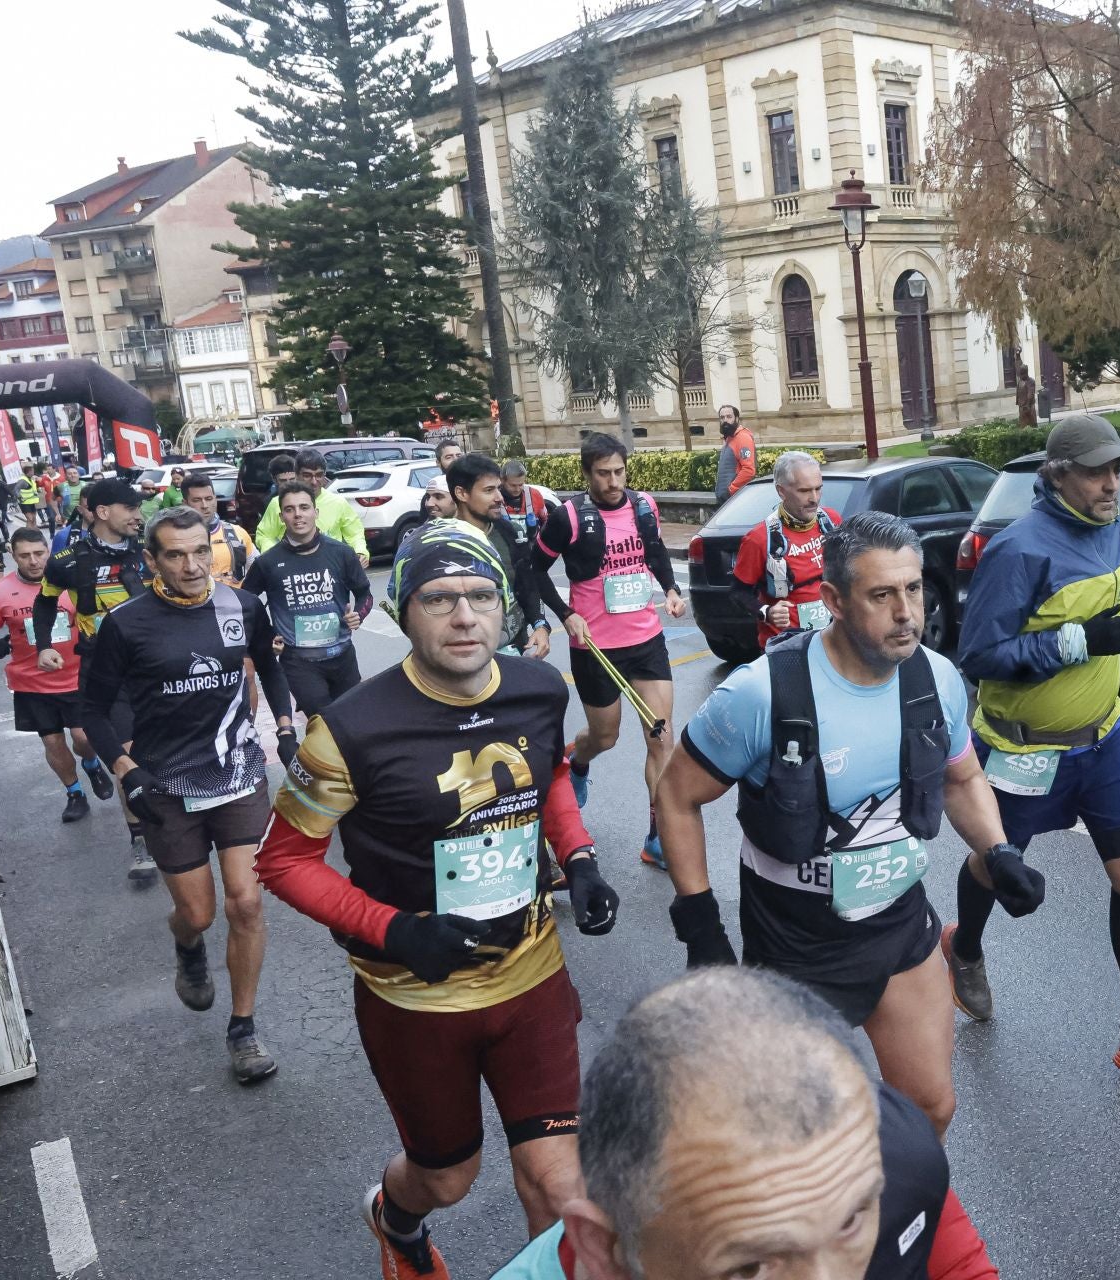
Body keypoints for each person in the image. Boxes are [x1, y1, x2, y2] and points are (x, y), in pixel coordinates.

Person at [256, 520, 620, 1280]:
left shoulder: (537, 687)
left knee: (563, 1187)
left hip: (531, 979)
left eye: (482, 595)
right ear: (401, 610)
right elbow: (285, 862)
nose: (464, 616)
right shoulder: (348, 730)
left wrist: (578, 857)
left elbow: (547, 773)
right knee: (447, 1178)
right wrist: (394, 930)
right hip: (414, 999)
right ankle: (395, 1217)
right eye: (439, 598)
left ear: (505, 607)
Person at [657, 512, 1016, 1136]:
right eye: (882, 594)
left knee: (931, 1107)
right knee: (798, 1134)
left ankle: (894, 1225)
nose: (906, 611)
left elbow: (961, 778)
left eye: (913, 588)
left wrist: (998, 850)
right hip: (794, 941)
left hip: (899, 924)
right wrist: (699, 926)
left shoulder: (937, 678)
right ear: (833, 602)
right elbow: (676, 796)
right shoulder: (763, 694)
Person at [950, 415, 1120, 1084]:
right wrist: (1074, 643)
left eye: (1118, 469)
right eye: (1097, 470)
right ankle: (966, 947)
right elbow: (977, 655)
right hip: (1024, 750)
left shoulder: (1110, 532)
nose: (1112, 482)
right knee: (993, 863)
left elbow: (1101, 621)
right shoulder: (1017, 551)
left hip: (1104, 739)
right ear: (1057, 474)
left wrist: (1112, 644)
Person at [490, 967, 997, 1280]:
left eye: (849, 1222)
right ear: (606, 1254)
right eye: (750, 1269)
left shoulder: (882, 1158)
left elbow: (958, 1267)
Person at [79, 505, 297, 1085]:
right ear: (151, 560)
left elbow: (271, 669)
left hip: (237, 771)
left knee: (247, 902)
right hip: (165, 784)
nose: (192, 565)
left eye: (201, 551)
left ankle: (243, 1030)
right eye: (175, 554)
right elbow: (92, 709)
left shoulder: (241, 605)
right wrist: (126, 769)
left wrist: (284, 726)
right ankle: (187, 946)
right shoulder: (126, 624)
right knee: (197, 914)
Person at [532, 433, 686, 867]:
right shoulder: (569, 517)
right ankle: (577, 763)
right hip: (596, 647)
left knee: (662, 738)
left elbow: (654, 553)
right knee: (605, 735)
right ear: (587, 474)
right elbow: (535, 570)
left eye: (619, 471)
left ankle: (657, 837)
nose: (614, 481)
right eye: (604, 474)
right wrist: (565, 615)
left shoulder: (643, 506)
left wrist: (671, 589)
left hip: (646, 641)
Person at [33, 477, 156, 881]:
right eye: (130, 509)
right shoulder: (67, 559)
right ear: (104, 513)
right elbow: (45, 600)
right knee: (128, 755)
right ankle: (139, 839)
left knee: (168, 748)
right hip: (105, 673)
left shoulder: (150, 550)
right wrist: (45, 646)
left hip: (157, 667)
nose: (138, 516)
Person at [0, 527, 116, 822]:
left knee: (83, 737)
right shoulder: (0, 592)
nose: (33, 561)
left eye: (39, 554)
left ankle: (90, 763)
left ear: (48, 551)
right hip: (30, 681)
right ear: (13, 556)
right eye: (24, 555)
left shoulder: (72, 584)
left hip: (77, 676)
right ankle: (74, 793)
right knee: (52, 742)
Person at [242, 481, 373, 720]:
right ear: (281, 516)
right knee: (324, 720)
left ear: (316, 512)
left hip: (343, 656)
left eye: (304, 507)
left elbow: (365, 593)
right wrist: (267, 634)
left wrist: (358, 615)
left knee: (354, 721)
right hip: (299, 662)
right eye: (290, 509)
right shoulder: (268, 562)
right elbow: (245, 603)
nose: (298, 514)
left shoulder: (341, 553)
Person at [731, 450, 840, 650]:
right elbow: (738, 593)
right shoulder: (759, 539)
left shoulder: (832, 521)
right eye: (804, 491)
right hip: (787, 646)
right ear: (781, 491)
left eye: (818, 488)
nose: (814, 499)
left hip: (833, 639)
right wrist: (766, 611)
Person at [448, 453, 550, 659]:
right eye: (488, 490)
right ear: (461, 493)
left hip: (515, 647)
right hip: (465, 655)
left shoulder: (509, 531)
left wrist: (541, 625)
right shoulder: (439, 540)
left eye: (497, 488)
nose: (499, 497)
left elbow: (526, 583)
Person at [254, 449, 367, 562]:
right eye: (307, 475)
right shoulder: (277, 503)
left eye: (319, 475)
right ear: (297, 475)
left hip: (330, 566)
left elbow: (355, 533)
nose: (314, 481)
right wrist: (273, 557)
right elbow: (264, 535)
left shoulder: (338, 502)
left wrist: (360, 551)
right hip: (292, 568)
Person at [179, 472, 257, 586]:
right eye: (197, 500)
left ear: (215, 499)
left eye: (209, 498)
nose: (204, 505)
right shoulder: (175, 539)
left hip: (234, 601)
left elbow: (258, 570)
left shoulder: (238, 533)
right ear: (185, 503)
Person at [713, 405, 755, 504]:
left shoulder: (742, 438)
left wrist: (731, 490)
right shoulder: (729, 438)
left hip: (734, 499)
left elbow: (749, 470)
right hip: (727, 499)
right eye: (722, 417)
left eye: (729, 417)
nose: (725, 420)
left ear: (736, 418)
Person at [500, 459, 549, 534]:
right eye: (513, 485)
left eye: (521, 485)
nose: (517, 489)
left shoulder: (535, 495)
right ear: (502, 481)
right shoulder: (494, 498)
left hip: (531, 543)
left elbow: (546, 522)